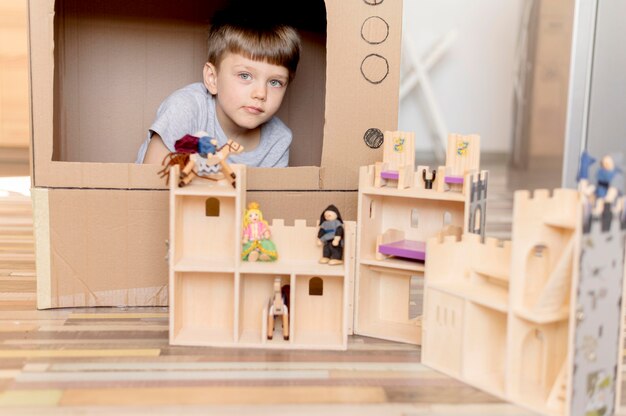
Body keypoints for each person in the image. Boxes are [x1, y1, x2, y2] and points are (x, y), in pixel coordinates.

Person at [136, 7, 301, 167]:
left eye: (275, 82)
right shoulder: (186, 108)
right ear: (212, 78)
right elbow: (151, 184)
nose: (260, 94)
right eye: (245, 76)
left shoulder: (278, 139)